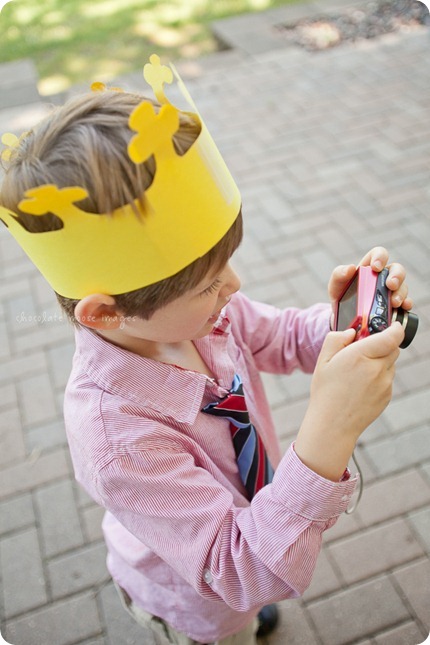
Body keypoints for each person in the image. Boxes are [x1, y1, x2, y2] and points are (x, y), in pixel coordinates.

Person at [0, 56, 412, 645]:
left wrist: (342, 325)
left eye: (225, 267)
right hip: (194, 601)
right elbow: (233, 570)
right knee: (234, 620)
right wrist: (329, 430)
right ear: (105, 313)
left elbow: (277, 335)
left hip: (255, 542)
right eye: (209, 284)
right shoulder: (118, 439)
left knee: (255, 599)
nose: (235, 287)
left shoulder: (201, 317)